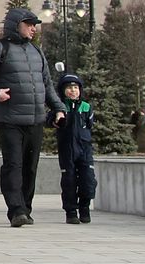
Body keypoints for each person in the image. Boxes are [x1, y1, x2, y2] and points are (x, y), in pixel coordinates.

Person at [0, 6, 63, 227]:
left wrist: (58, 108)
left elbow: (47, 84)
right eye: (29, 24)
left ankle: (25, 209)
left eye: (34, 25)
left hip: (35, 119)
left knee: (30, 167)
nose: (33, 28)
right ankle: (16, 210)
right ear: (15, 25)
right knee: (13, 165)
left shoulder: (36, 51)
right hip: (9, 120)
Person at [51, 73, 96, 224]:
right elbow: (50, 120)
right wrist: (57, 119)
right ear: (63, 90)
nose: (73, 91)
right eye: (69, 88)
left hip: (84, 149)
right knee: (69, 181)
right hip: (67, 149)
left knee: (88, 180)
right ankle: (71, 212)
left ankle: (84, 207)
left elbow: (89, 125)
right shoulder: (60, 107)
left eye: (76, 88)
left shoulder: (86, 107)